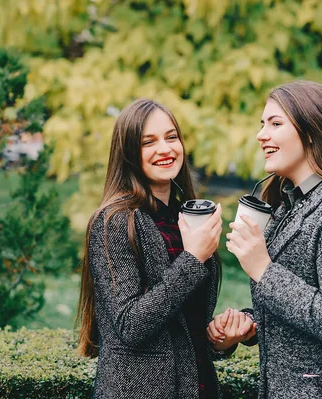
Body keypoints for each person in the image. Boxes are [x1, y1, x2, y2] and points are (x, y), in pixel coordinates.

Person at [209, 81, 322, 398]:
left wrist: (262, 268)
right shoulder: (288, 205)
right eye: (262, 124)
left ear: (312, 132)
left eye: (275, 124)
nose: (261, 135)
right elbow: (301, 310)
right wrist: (248, 327)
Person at [76, 98, 253, 399]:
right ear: (129, 153)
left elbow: (184, 326)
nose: (165, 149)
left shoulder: (185, 217)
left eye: (172, 137)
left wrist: (219, 339)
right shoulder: (115, 222)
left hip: (197, 387)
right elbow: (130, 324)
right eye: (149, 142)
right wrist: (193, 259)